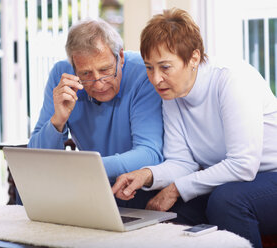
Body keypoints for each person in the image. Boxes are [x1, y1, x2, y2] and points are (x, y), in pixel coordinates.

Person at [112, 8, 277, 248]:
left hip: (269, 176)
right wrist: (146, 175)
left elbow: (243, 165)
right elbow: (182, 162)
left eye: (165, 67)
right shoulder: (172, 93)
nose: (156, 79)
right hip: (229, 181)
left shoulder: (232, 80)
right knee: (145, 198)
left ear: (194, 58)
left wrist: (176, 188)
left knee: (227, 201)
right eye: (149, 67)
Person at [28, 18, 163, 184]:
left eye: (105, 70)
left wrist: (86, 168)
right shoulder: (62, 75)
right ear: (74, 66)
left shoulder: (144, 73)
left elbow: (149, 154)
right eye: (86, 74)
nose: (98, 84)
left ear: (120, 56)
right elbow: (35, 158)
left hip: (134, 187)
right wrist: (58, 121)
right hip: (90, 183)